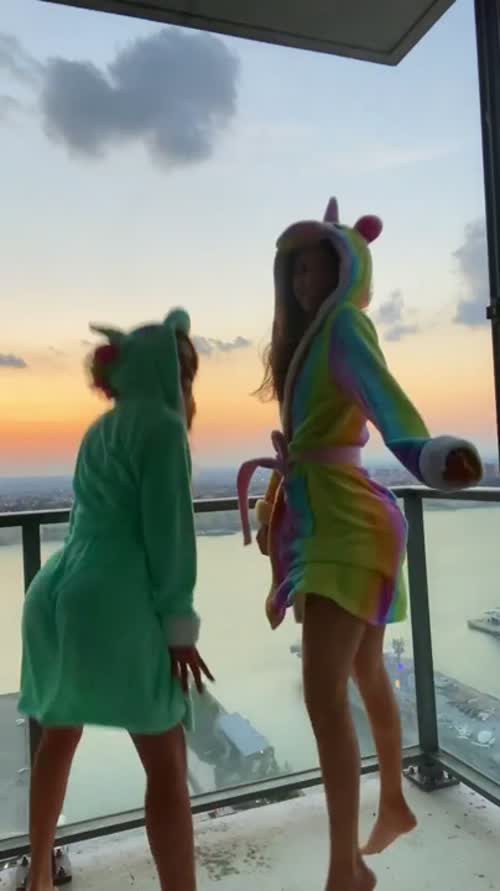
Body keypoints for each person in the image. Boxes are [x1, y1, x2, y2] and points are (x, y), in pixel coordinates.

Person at [237, 198, 482, 891]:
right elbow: (311, 443)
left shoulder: (345, 325)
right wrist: (277, 497)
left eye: (315, 267)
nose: (303, 281)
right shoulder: (310, 341)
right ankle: (394, 801)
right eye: (295, 271)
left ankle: (345, 867)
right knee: (366, 671)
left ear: (345, 269)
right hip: (331, 519)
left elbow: (385, 398)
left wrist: (427, 454)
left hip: (346, 523)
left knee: (323, 696)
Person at [19, 309, 212, 891]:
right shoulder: (163, 429)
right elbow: (169, 539)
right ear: (164, 373)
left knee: (58, 738)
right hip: (118, 598)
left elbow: (88, 519)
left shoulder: (100, 430)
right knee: (167, 764)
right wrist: (179, 628)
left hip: (57, 592)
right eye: (183, 373)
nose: (187, 386)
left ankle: (39, 877)